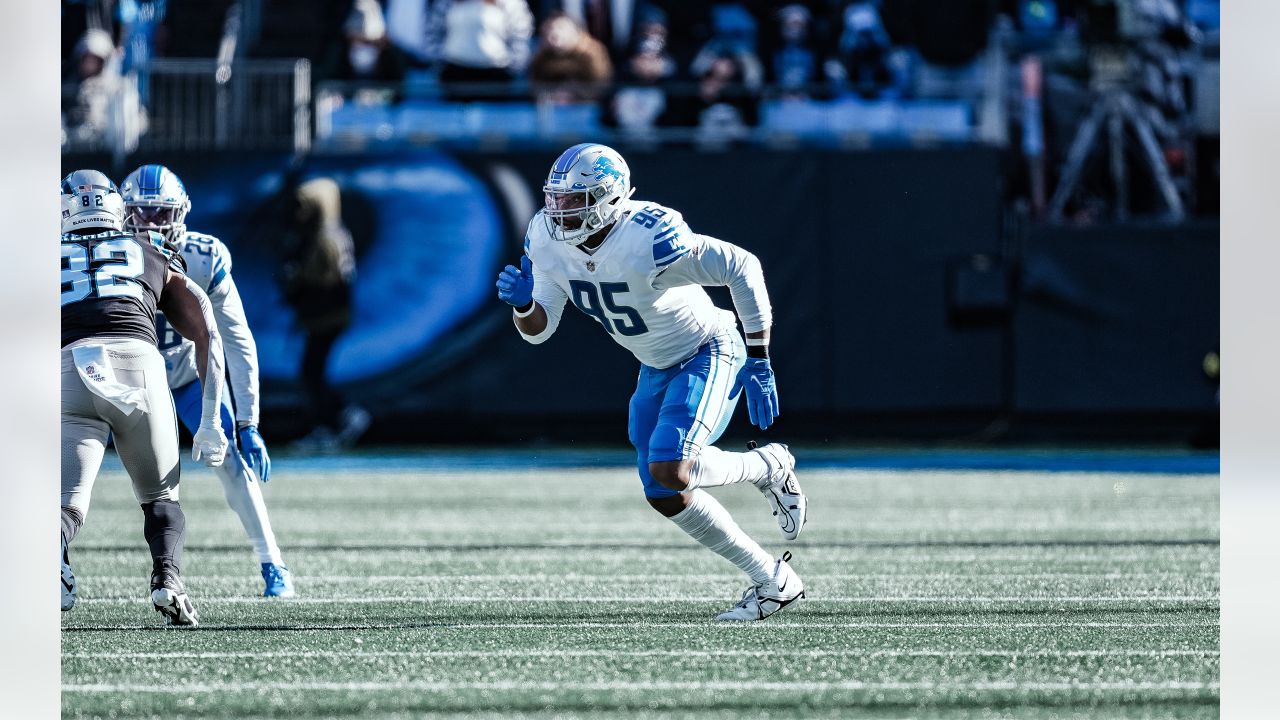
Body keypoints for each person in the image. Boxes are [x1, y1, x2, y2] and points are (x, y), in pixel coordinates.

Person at [495, 144, 807, 621]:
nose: (560, 210)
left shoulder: (650, 236)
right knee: (664, 493)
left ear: (608, 197)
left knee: (670, 467)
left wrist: (760, 356)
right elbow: (541, 329)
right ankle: (772, 579)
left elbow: (742, 266)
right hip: (655, 364)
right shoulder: (545, 237)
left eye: (574, 199)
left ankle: (768, 467)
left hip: (709, 347)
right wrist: (523, 306)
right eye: (555, 198)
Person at [61, 169, 228, 626]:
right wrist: (212, 419)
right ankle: (168, 580)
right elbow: (205, 331)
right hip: (140, 365)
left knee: (65, 504)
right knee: (161, 498)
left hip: (71, 368)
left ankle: (53, 553)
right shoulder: (149, 252)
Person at [121, 164, 296, 598]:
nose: (150, 223)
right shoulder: (101, 255)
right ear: (122, 214)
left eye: (161, 213)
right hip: (120, 375)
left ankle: (272, 562)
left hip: (184, 375)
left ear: (180, 214)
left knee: (232, 459)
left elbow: (236, 339)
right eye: (140, 212)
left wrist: (248, 421)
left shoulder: (202, 257)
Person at [277, 176, 371, 452]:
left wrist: (295, 282)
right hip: (327, 316)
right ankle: (335, 419)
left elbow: (324, 281)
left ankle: (334, 421)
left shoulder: (324, 238)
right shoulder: (331, 232)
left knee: (311, 373)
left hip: (326, 317)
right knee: (312, 372)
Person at [529, 12, 614, 102]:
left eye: (561, 28)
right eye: (550, 29)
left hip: (586, 106)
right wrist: (553, 96)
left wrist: (574, 95)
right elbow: (536, 87)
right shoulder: (541, 57)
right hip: (552, 107)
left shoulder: (591, 54)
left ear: (575, 32)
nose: (555, 33)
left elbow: (600, 85)